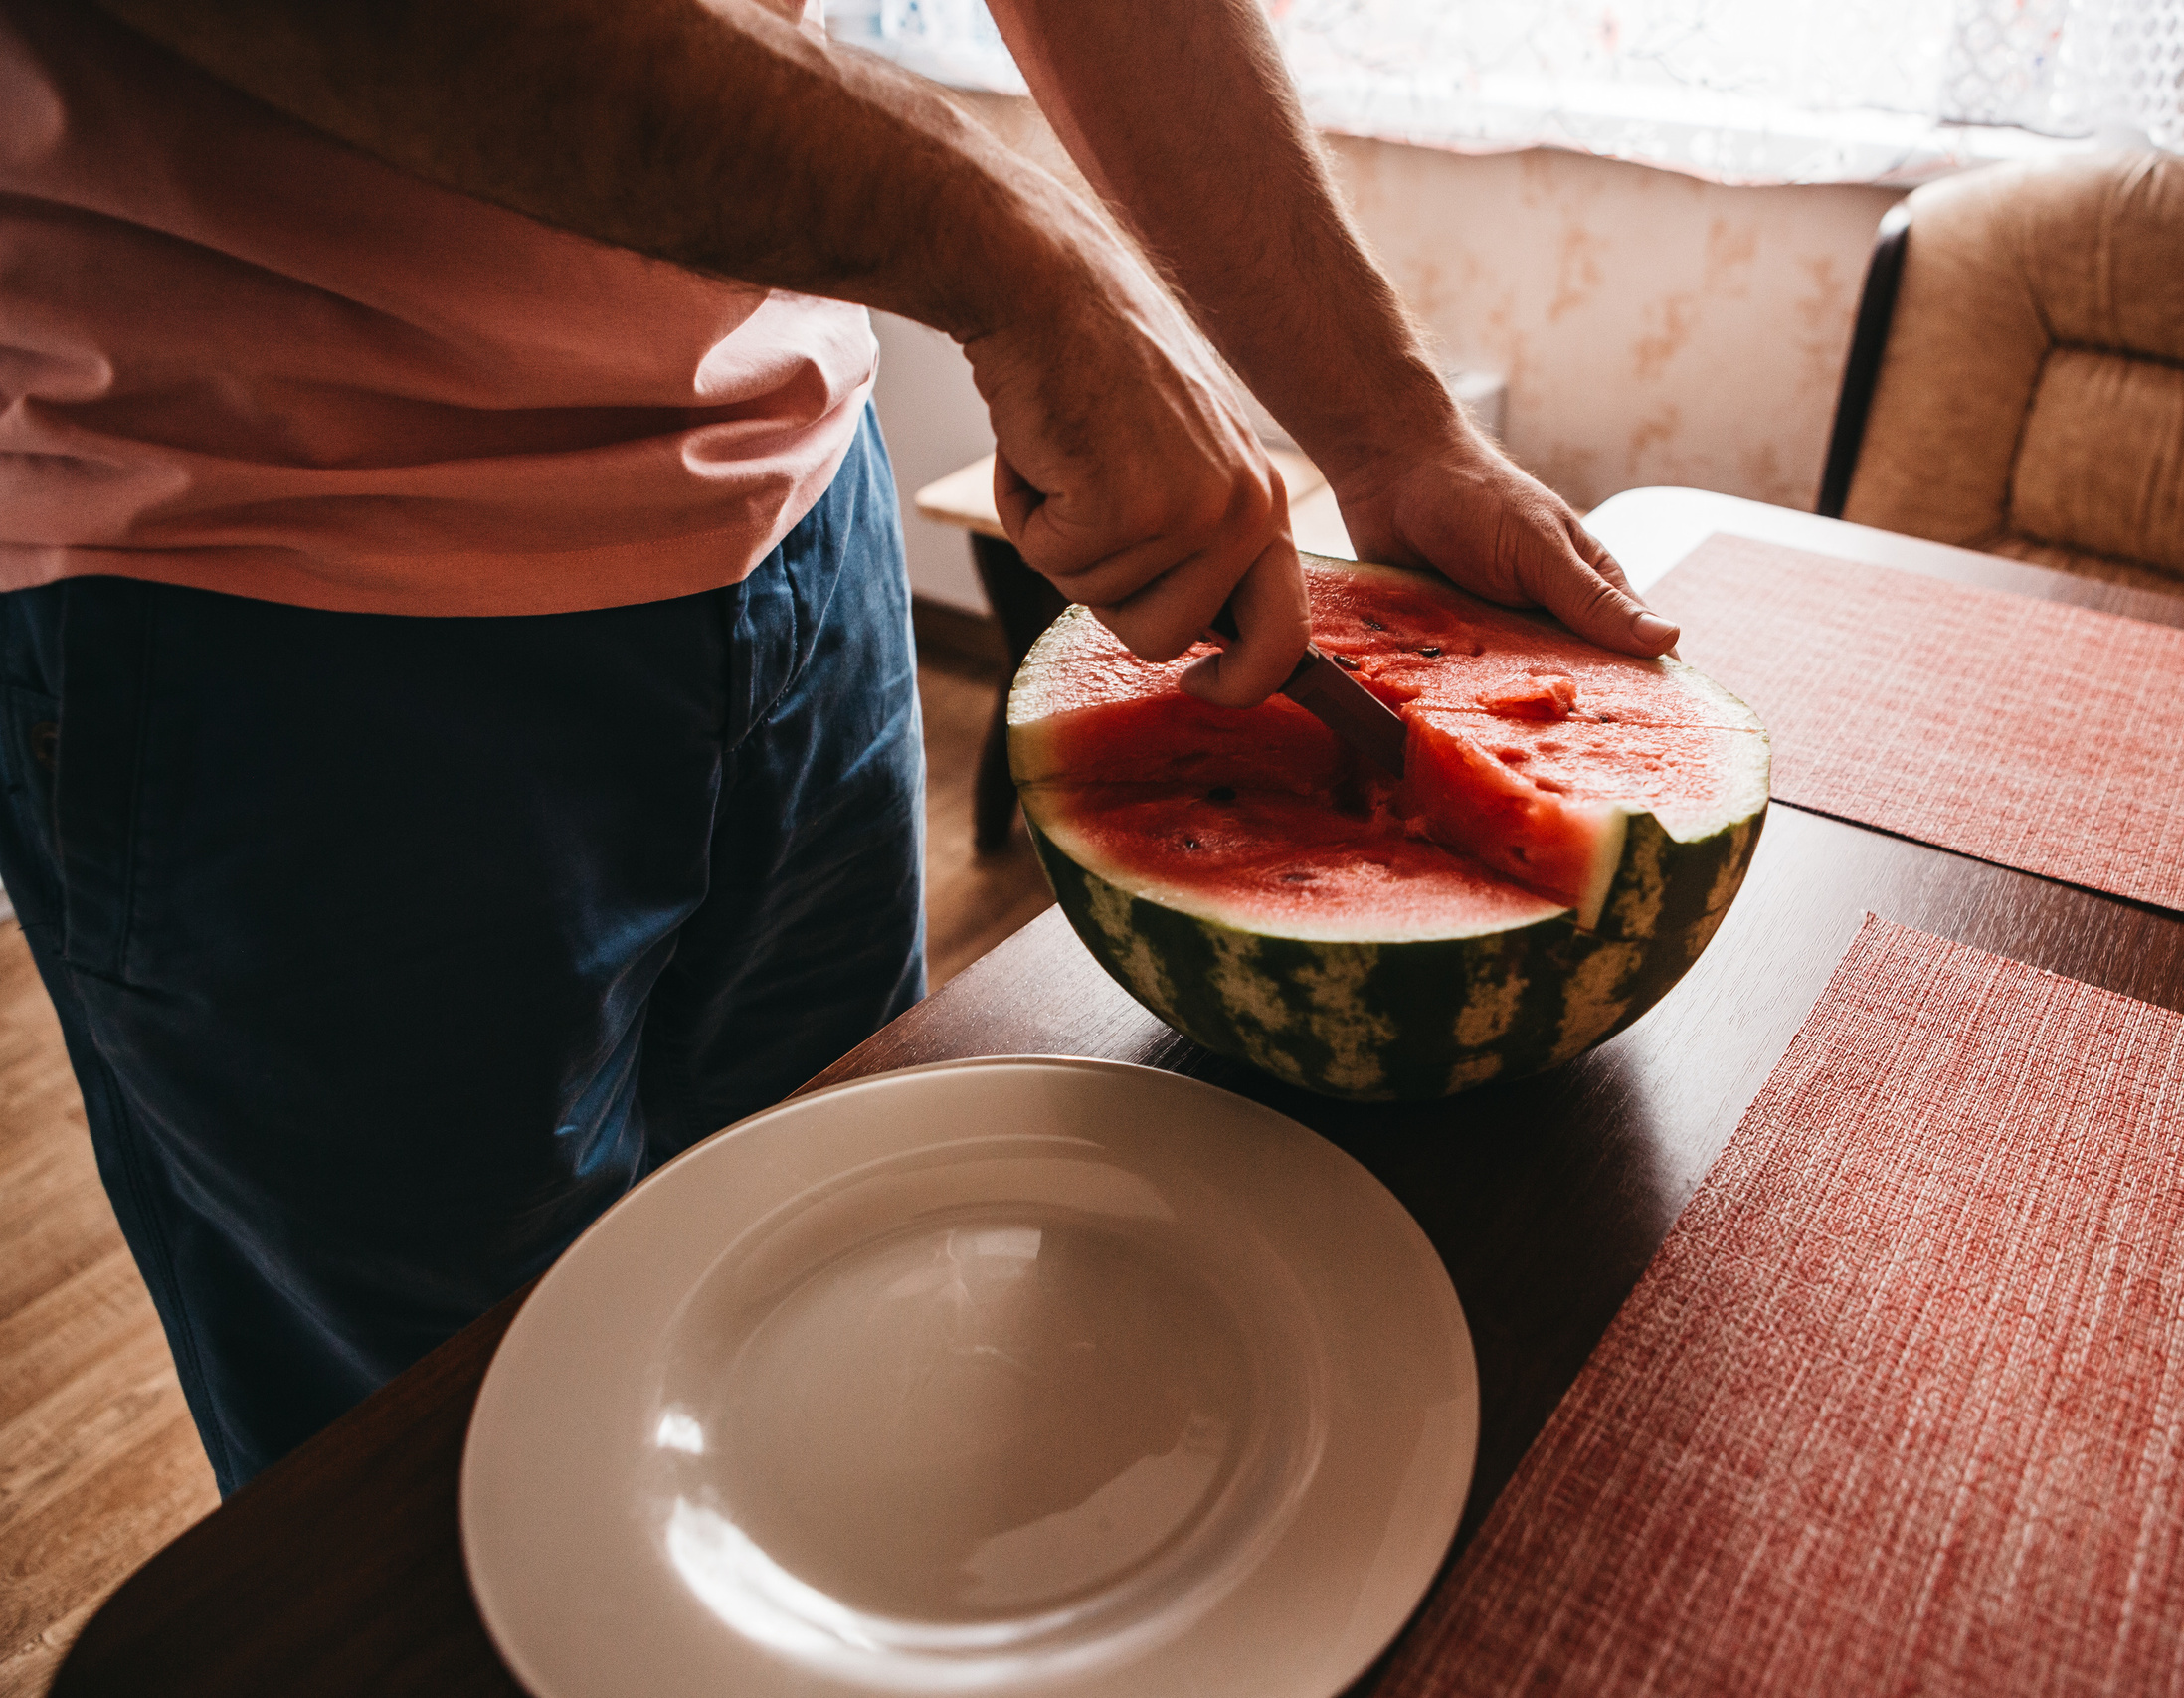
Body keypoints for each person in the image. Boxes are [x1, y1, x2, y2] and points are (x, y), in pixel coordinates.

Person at [0, 0, 1680, 1492]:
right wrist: (1022, 253)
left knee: (855, 1316)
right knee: (444, 1490)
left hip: (806, 534)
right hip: (268, 609)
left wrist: (1388, 427)